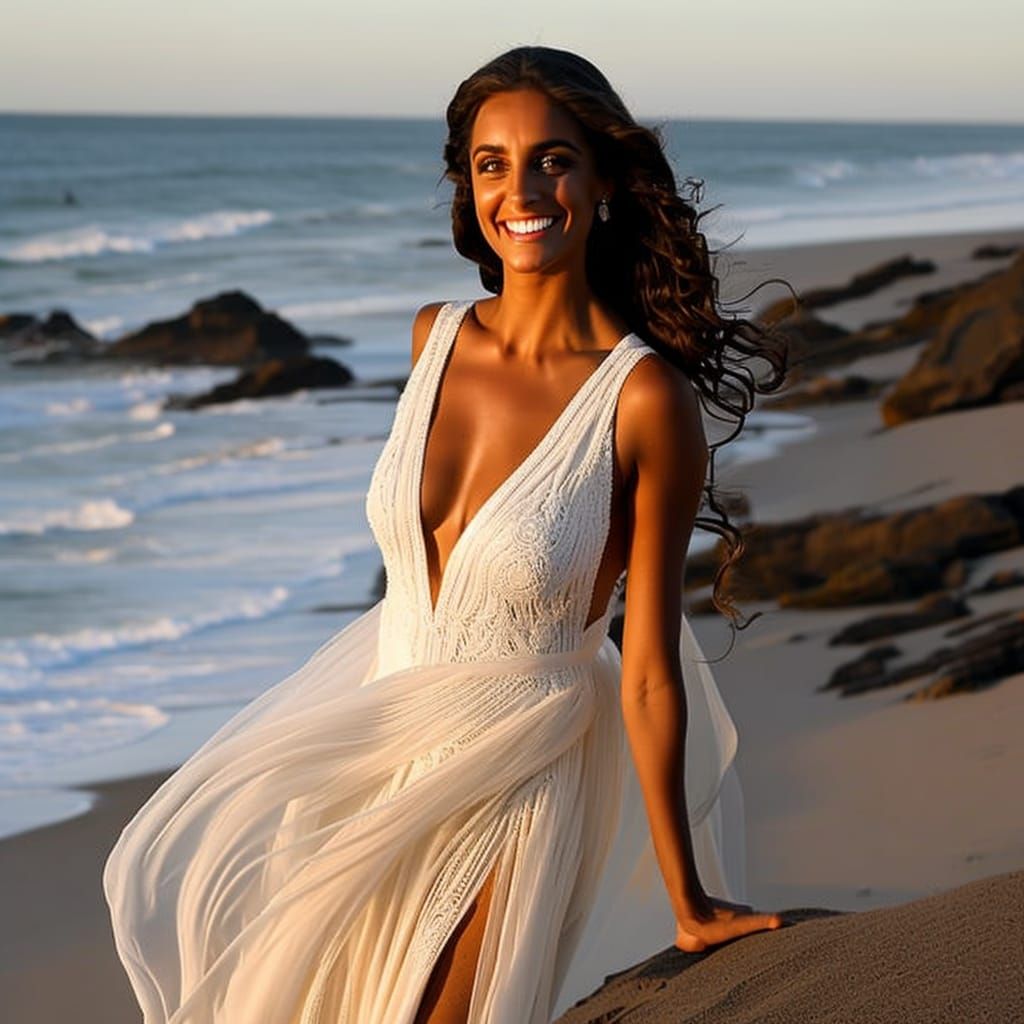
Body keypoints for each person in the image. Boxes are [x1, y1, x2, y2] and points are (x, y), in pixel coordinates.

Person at [103, 45, 788, 1024]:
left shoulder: (642, 399)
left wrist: (686, 898)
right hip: (382, 747)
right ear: (468, 190)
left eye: (553, 158)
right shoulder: (434, 335)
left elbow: (645, 665)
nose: (523, 188)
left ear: (601, 183)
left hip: (520, 764)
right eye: (491, 163)